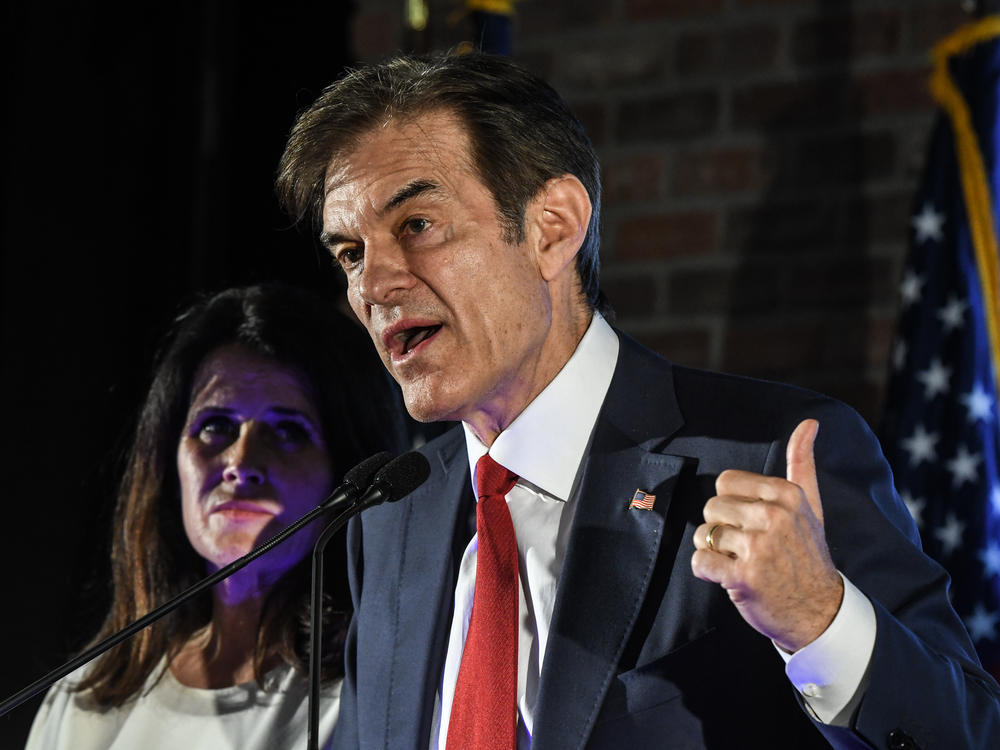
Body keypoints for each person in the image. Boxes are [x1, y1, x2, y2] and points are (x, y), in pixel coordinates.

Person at [276, 52, 1000, 749]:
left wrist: (819, 621)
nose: (374, 286)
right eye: (351, 254)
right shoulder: (387, 519)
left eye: (417, 227)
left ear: (553, 227)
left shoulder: (772, 457)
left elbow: (970, 734)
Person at [25, 283, 407, 750]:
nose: (241, 463)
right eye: (215, 426)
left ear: (347, 469)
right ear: (171, 463)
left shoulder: (375, 691)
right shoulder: (87, 695)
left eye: (288, 431)